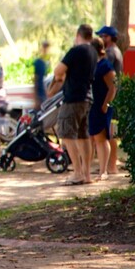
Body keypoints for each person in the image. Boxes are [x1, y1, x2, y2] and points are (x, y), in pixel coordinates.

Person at [48, 24, 98, 185]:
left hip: (73, 98)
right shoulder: (93, 52)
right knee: (83, 136)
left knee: (66, 133)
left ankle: (77, 172)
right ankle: (86, 174)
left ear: (78, 35)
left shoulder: (76, 51)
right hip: (87, 97)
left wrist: (59, 78)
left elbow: (58, 70)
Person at [87, 38, 117, 179]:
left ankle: (103, 170)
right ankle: (94, 169)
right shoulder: (95, 65)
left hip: (101, 106)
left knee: (101, 138)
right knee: (94, 137)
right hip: (94, 106)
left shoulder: (105, 66)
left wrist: (105, 105)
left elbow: (112, 87)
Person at [96, 26, 123, 178]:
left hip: (111, 98)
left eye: (103, 36)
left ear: (110, 37)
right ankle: (110, 165)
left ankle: (111, 166)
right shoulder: (115, 51)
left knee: (110, 132)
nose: (101, 39)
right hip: (114, 98)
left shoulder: (111, 53)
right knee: (111, 131)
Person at [32, 41, 50, 110]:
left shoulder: (45, 63)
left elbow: (44, 79)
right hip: (39, 94)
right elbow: (35, 79)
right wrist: (35, 98)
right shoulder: (38, 62)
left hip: (43, 93)